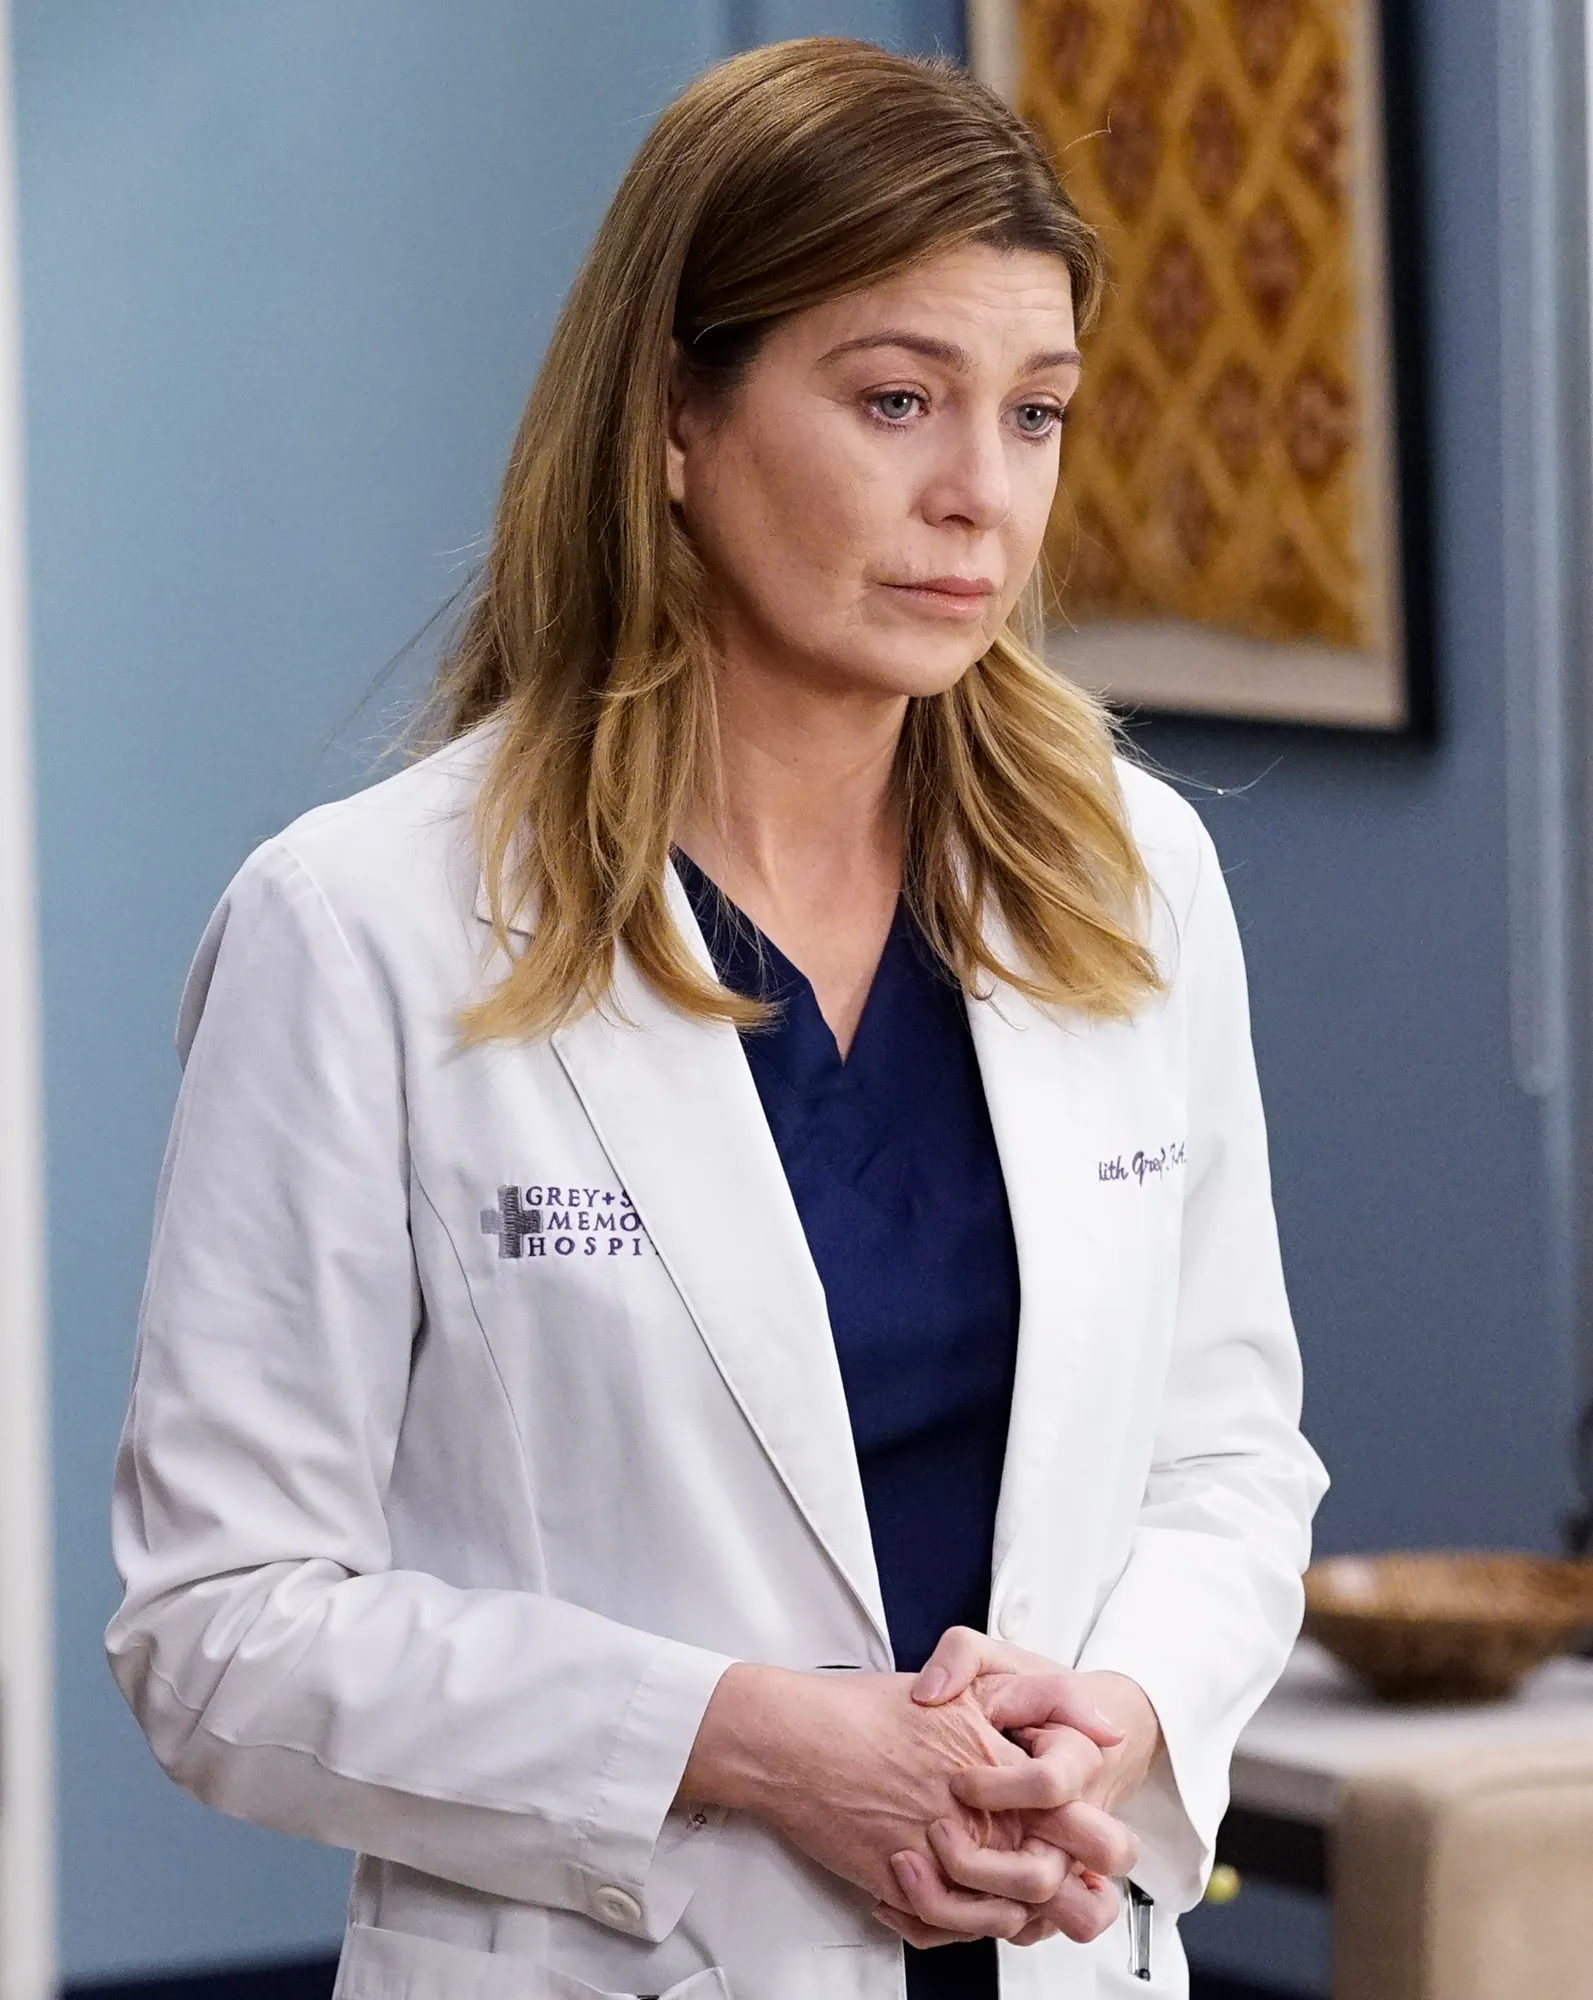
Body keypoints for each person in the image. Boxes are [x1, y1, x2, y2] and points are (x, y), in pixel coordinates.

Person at [107, 38, 1327, 2000]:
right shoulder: (365, 928)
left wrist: (1116, 1714)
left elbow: (1228, 1459)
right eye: (896, 400)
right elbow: (220, 1630)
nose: (979, 497)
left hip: (1049, 1946)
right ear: (677, 414)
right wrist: (742, 1739)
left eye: (1034, 414)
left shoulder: (1133, 878)